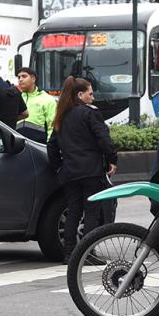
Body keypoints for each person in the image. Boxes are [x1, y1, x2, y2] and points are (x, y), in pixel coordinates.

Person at [47, 77, 118, 264]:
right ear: (80, 94)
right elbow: (104, 139)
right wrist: (112, 158)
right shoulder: (90, 114)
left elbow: (52, 146)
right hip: (92, 171)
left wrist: (59, 167)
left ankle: (70, 254)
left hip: (69, 172)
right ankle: (88, 254)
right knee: (92, 212)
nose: (93, 98)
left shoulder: (61, 115)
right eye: (90, 93)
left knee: (74, 212)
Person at [15, 67, 57, 143]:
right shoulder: (16, 98)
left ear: (33, 79)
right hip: (17, 145)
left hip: (39, 146)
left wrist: (49, 146)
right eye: (19, 77)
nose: (20, 79)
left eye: (24, 76)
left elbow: (52, 126)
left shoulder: (47, 99)